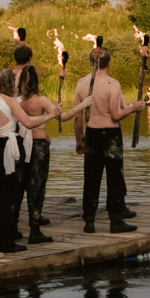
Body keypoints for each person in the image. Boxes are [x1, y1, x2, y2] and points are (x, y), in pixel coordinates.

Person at [0, 69, 86, 253]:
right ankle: (7, 242)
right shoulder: (12, 101)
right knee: (9, 196)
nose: (16, 84)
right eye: (13, 81)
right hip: (8, 149)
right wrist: (50, 115)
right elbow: (28, 123)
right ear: (7, 83)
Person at [73, 48, 144, 234]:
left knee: (91, 178)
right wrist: (134, 107)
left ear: (91, 62)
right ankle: (116, 220)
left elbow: (78, 117)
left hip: (91, 132)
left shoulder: (81, 84)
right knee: (114, 178)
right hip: (110, 134)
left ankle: (89, 220)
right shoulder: (113, 84)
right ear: (109, 63)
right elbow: (116, 115)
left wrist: (78, 140)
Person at [18, 65, 89, 244]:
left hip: (22, 146)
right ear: (36, 82)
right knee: (38, 185)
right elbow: (63, 117)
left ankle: (17, 225)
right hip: (39, 146)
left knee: (23, 184)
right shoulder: (40, 100)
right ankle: (35, 228)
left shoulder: (17, 101)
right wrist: (83, 104)